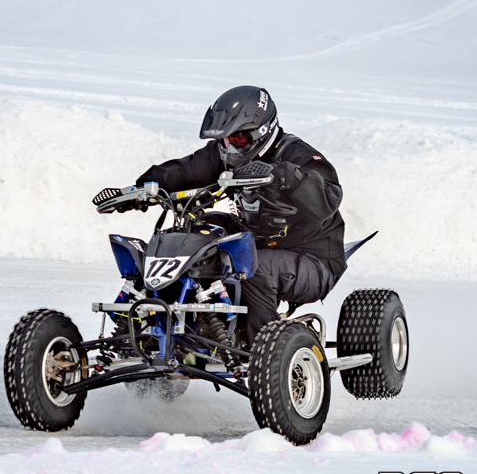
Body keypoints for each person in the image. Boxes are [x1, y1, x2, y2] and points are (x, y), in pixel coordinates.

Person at [136, 85, 345, 348]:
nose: (229, 147)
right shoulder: (222, 154)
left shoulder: (299, 156)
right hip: (256, 245)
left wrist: (289, 178)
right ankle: (176, 334)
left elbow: (327, 201)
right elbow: (185, 171)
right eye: (224, 140)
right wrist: (146, 186)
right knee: (196, 236)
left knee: (252, 271)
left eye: (238, 139)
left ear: (262, 131)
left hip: (313, 258)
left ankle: (264, 350)